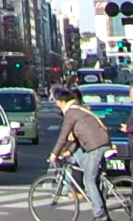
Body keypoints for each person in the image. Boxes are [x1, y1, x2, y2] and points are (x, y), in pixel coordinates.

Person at [56, 89, 113, 219]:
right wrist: (70, 151)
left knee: (88, 179)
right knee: (93, 178)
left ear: (63, 102)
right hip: (100, 143)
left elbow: (63, 136)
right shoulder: (81, 109)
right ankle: (102, 209)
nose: (58, 106)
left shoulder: (71, 112)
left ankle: (99, 214)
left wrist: (55, 153)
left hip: (95, 146)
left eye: (58, 103)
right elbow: (79, 135)